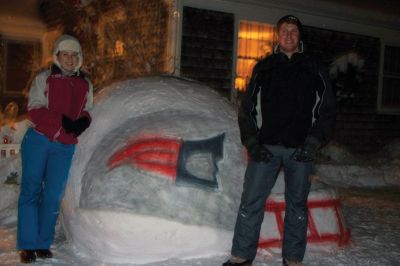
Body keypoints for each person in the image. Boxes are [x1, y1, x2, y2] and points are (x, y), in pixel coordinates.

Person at [223, 15, 336, 266]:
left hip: (301, 149)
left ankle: (293, 259)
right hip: (267, 147)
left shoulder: (314, 66)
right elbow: (247, 109)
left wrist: (313, 142)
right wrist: (252, 142)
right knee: (251, 201)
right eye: (284, 30)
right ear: (277, 36)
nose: (288, 35)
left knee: (297, 205)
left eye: (294, 31)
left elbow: (327, 109)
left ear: (299, 36)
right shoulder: (264, 67)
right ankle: (241, 256)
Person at [17, 34, 93, 263]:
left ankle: (42, 242)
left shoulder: (85, 83)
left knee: (52, 195)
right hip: (39, 140)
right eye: (65, 54)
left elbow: (88, 109)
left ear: (78, 58)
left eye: (74, 55)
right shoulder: (45, 78)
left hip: (64, 146)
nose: (69, 59)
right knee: (31, 190)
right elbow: (35, 108)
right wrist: (61, 121)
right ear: (57, 56)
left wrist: (83, 121)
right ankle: (27, 245)